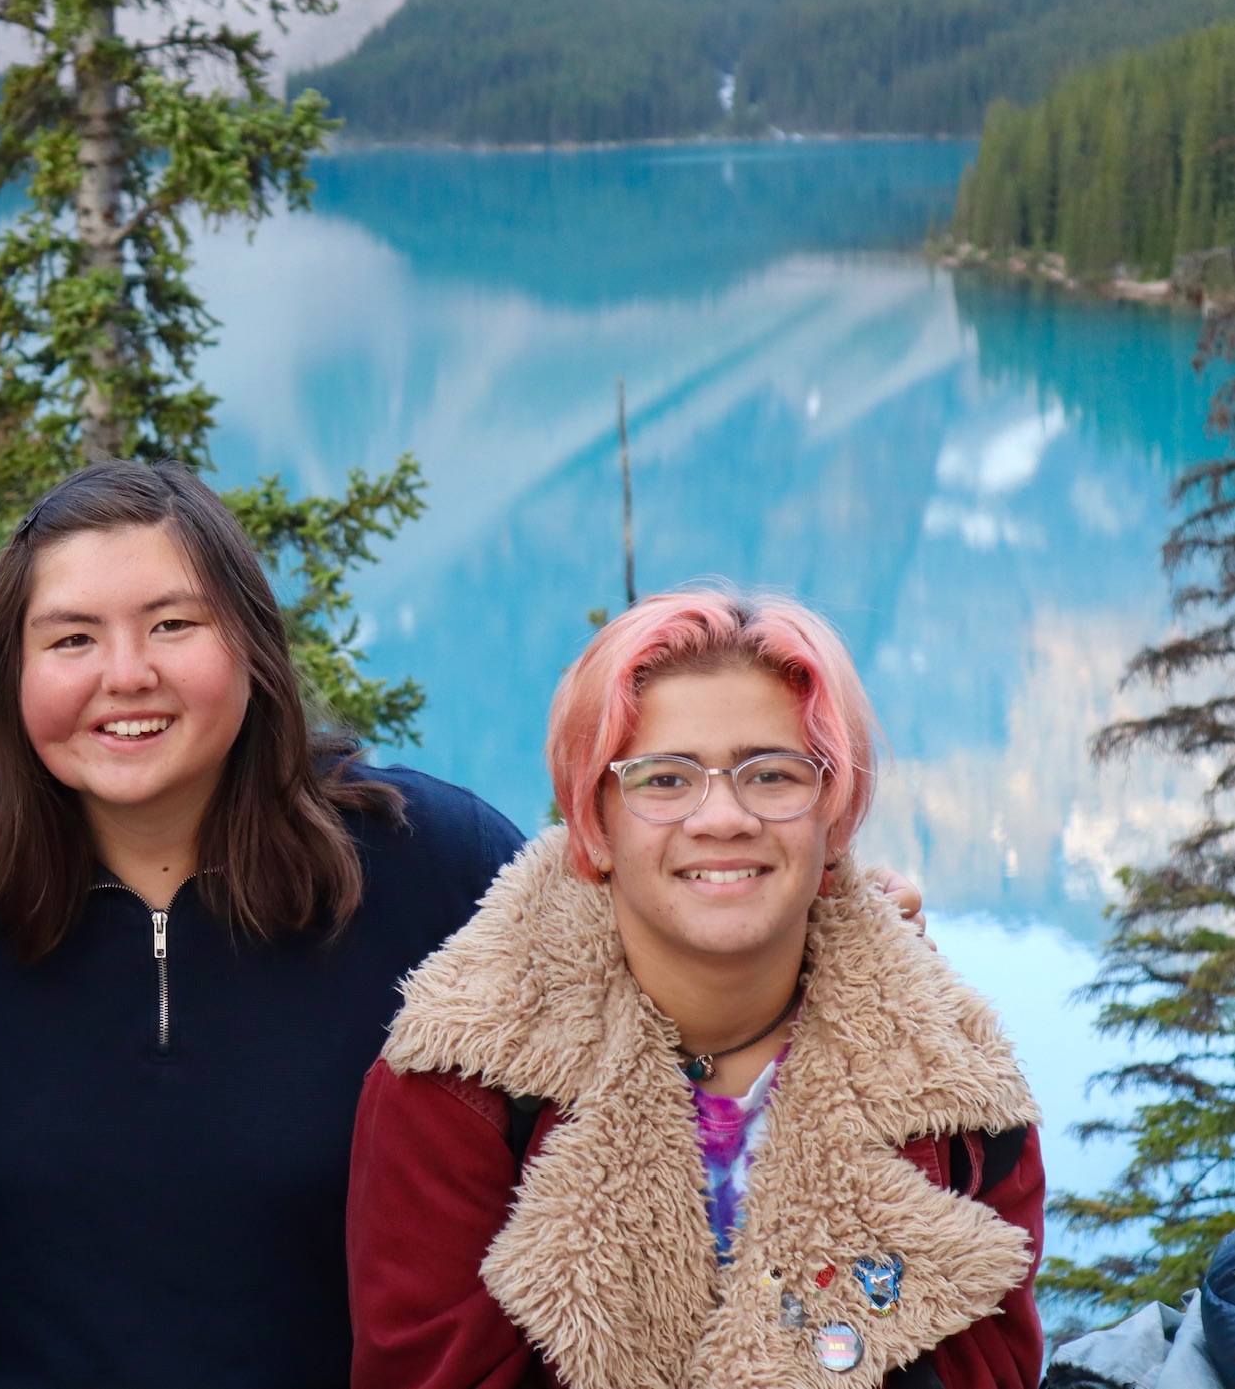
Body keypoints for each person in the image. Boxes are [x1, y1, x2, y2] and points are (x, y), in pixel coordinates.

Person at [0, 457, 526, 1388]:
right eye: (71, 638)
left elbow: (604, 1140)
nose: (126, 674)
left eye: (173, 624)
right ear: (14, 672)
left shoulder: (435, 865)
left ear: (249, 643)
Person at [348, 588, 1044, 1389]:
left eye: (772, 774)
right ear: (593, 827)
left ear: (834, 820)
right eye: (663, 779)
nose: (721, 817)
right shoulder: (458, 1085)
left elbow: (990, 1370)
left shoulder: (957, 1092)